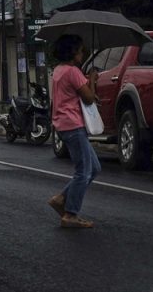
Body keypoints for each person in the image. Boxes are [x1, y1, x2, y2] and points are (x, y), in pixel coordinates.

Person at [49, 34, 101, 228]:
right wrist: (93, 79)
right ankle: (71, 213)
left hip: (62, 124)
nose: (82, 54)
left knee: (94, 168)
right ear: (72, 52)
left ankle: (61, 198)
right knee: (83, 172)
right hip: (73, 124)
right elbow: (88, 98)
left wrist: (87, 79)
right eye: (80, 51)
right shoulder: (73, 71)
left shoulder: (59, 70)